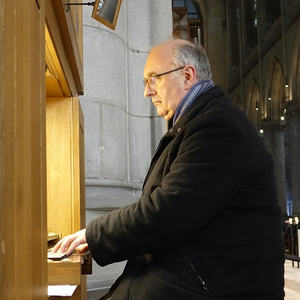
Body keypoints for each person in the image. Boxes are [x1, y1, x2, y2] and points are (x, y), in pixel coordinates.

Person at [53, 39, 285, 300]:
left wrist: (93, 235)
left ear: (187, 75)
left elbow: (167, 212)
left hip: (215, 288)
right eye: (145, 82)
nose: (147, 92)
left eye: (154, 78)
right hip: (190, 279)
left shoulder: (219, 126)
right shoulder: (196, 123)